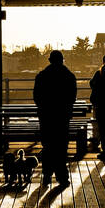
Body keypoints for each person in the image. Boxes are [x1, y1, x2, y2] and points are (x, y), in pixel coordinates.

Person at [32, 50, 77, 187]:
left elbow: (37, 97)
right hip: (62, 116)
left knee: (48, 145)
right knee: (61, 146)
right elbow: (72, 97)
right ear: (62, 60)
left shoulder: (41, 76)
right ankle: (62, 176)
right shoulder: (69, 76)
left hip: (46, 116)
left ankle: (46, 174)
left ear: (49, 60)